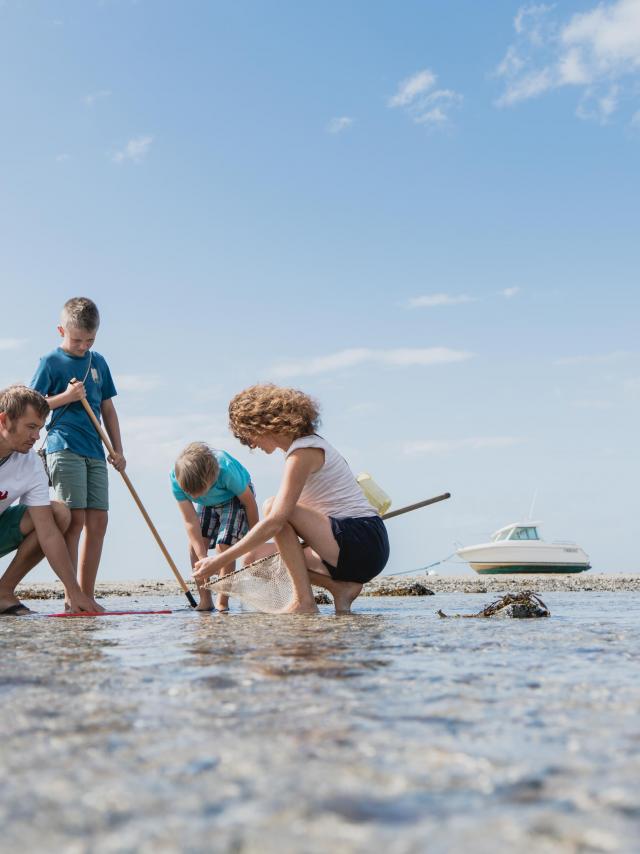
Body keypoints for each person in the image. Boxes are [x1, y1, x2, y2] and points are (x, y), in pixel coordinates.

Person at [192, 384, 390, 614]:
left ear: (262, 424)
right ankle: (339, 588)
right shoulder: (298, 451)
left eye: (247, 437)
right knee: (253, 560)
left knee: (273, 507)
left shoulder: (304, 451)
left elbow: (277, 520)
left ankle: (303, 602)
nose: (251, 445)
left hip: (362, 542)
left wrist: (219, 560)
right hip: (339, 545)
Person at [30, 297, 126, 601]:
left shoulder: (98, 362)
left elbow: (108, 409)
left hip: (96, 449)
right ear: (61, 330)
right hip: (64, 446)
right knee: (75, 519)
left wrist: (118, 449)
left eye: (89, 339)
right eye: (76, 339)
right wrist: (67, 396)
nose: (83, 346)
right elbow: (30, 406)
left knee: (99, 521)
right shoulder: (50, 362)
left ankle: (87, 593)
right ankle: (73, 596)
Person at [0, 385, 102, 614]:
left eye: (40, 428)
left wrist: (74, 591)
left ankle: (3, 591)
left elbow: (47, 531)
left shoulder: (31, 463)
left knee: (59, 513)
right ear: (4, 420)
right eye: (31, 427)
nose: (37, 437)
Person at [171, 442, 258, 611]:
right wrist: (203, 557)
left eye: (198, 492)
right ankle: (205, 599)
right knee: (195, 548)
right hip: (207, 504)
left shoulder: (226, 470)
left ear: (211, 478)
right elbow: (190, 521)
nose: (193, 496)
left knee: (224, 544)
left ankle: (222, 602)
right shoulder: (177, 479)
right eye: (190, 494)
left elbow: (250, 503)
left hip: (234, 497)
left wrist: (254, 542)